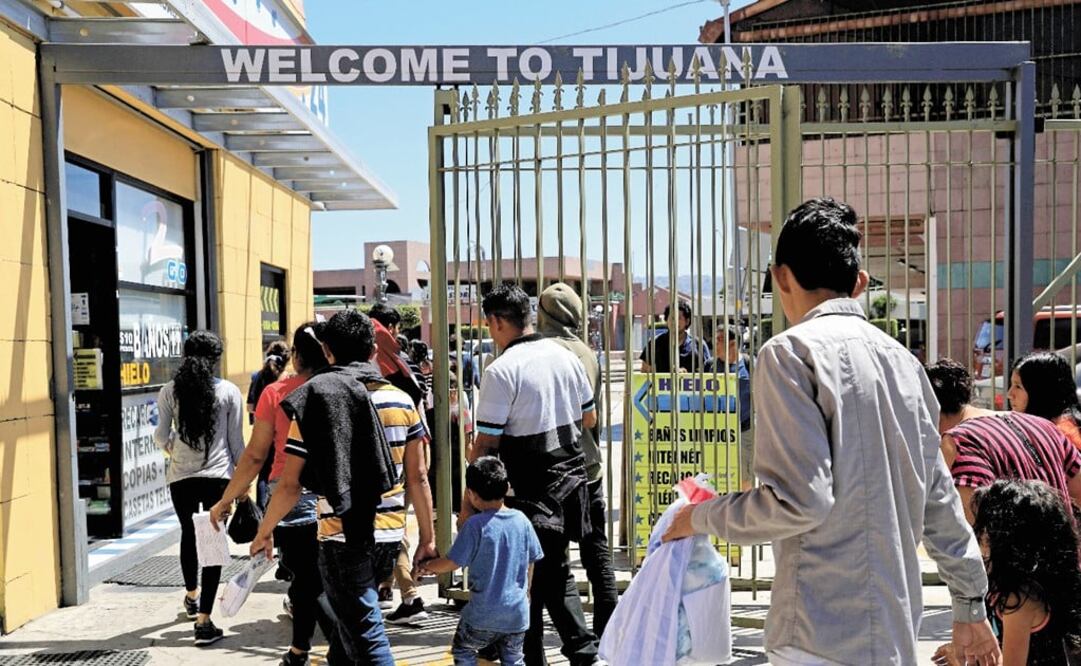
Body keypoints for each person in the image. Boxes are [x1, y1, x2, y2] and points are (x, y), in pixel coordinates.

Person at [662, 198, 998, 666]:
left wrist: (698, 518)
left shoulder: (789, 354)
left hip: (817, 633)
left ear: (780, 276)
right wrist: (969, 603)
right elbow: (938, 500)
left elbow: (798, 500)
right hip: (894, 632)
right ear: (859, 283)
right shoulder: (905, 364)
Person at [251, 310, 417, 665]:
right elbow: (418, 477)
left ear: (326, 351)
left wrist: (265, 531)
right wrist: (428, 537)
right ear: (373, 350)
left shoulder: (317, 401)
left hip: (342, 536)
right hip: (390, 534)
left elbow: (290, 484)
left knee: (368, 639)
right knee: (346, 634)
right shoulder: (403, 401)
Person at [469, 283, 600, 666]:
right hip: (571, 481)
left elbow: (485, 445)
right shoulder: (566, 358)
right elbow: (589, 418)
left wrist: (469, 502)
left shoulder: (501, 370)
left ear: (495, 322)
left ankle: (551, 653)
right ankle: (582, 652)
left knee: (526, 577)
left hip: (527, 487)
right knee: (552, 570)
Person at [208, 322, 328, 666]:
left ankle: (338, 649)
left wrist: (227, 498)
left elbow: (255, 455)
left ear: (296, 355)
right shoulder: (343, 387)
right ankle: (300, 649)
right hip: (337, 495)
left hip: (289, 496)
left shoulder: (276, 393)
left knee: (306, 579)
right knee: (319, 579)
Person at [536, 282, 618, 637]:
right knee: (598, 555)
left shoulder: (540, 352)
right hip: (590, 467)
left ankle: (568, 638)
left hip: (553, 468)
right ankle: (610, 633)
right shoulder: (587, 353)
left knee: (553, 562)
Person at [153, 330, 244, 647]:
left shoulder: (169, 391)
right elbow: (236, 445)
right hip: (219, 478)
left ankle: (191, 595)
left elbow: (160, 435)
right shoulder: (229, 392)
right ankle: (204, 622)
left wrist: (174, 452)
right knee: (213, 541)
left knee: (188, 535)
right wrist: (242, 486)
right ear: (216, 359)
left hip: (181, 478)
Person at [934, 480, 1081, 666]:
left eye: (984, 528)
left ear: (1004, 538)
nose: (979, 535)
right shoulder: (1043, 585)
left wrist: (960, 659)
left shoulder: (1019, 600)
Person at [419, 457, 544, 666]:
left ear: (471, 494)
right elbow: (532, 559)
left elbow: (451, 563)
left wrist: (427, 566)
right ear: (507, 487)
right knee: (514, 658)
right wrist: (527, 591)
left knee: (463, 649)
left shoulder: (475, 525)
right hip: (517, 613)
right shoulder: (522, 520)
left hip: (482, 614)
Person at [925, 358, 1081, 523]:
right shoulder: (1043, 425)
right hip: (1064, 546)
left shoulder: (960, 443)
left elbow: (972, 530)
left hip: (1011, 548)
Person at [707, 324, 754, 491]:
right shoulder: (710, 366)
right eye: (715, 340)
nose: (715, 344)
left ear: (733, 344)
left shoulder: (750, 364)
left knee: (745, 476)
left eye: (719, 340)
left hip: (744, 431)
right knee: (715, 475)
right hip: (717, 432)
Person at [1008, 351, 1081, 450]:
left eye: (1018, 387)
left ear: (1040, 392)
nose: (1010, 395)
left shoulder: (1061, 437)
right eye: (1011, 385)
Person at [248, 340, 290, 509]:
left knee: (263, 473)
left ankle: (262, 511)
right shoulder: (287, 379)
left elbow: (250, 406)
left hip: (262, 430)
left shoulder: (257, 376)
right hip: (282, 431)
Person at [368, 304, 426, 408]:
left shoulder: (357, 357)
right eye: (398, 328)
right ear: (391, 328)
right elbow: (416, 397)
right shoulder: (402, 361)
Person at [639, 300, 711, 374]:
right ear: (666, 320)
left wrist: (686, 375)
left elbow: (708, 371)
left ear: (687, 321)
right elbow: (645, 374)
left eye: (679, 318)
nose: (674, 321)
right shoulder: (654, 344)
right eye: (672, 317)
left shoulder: (698, 345)